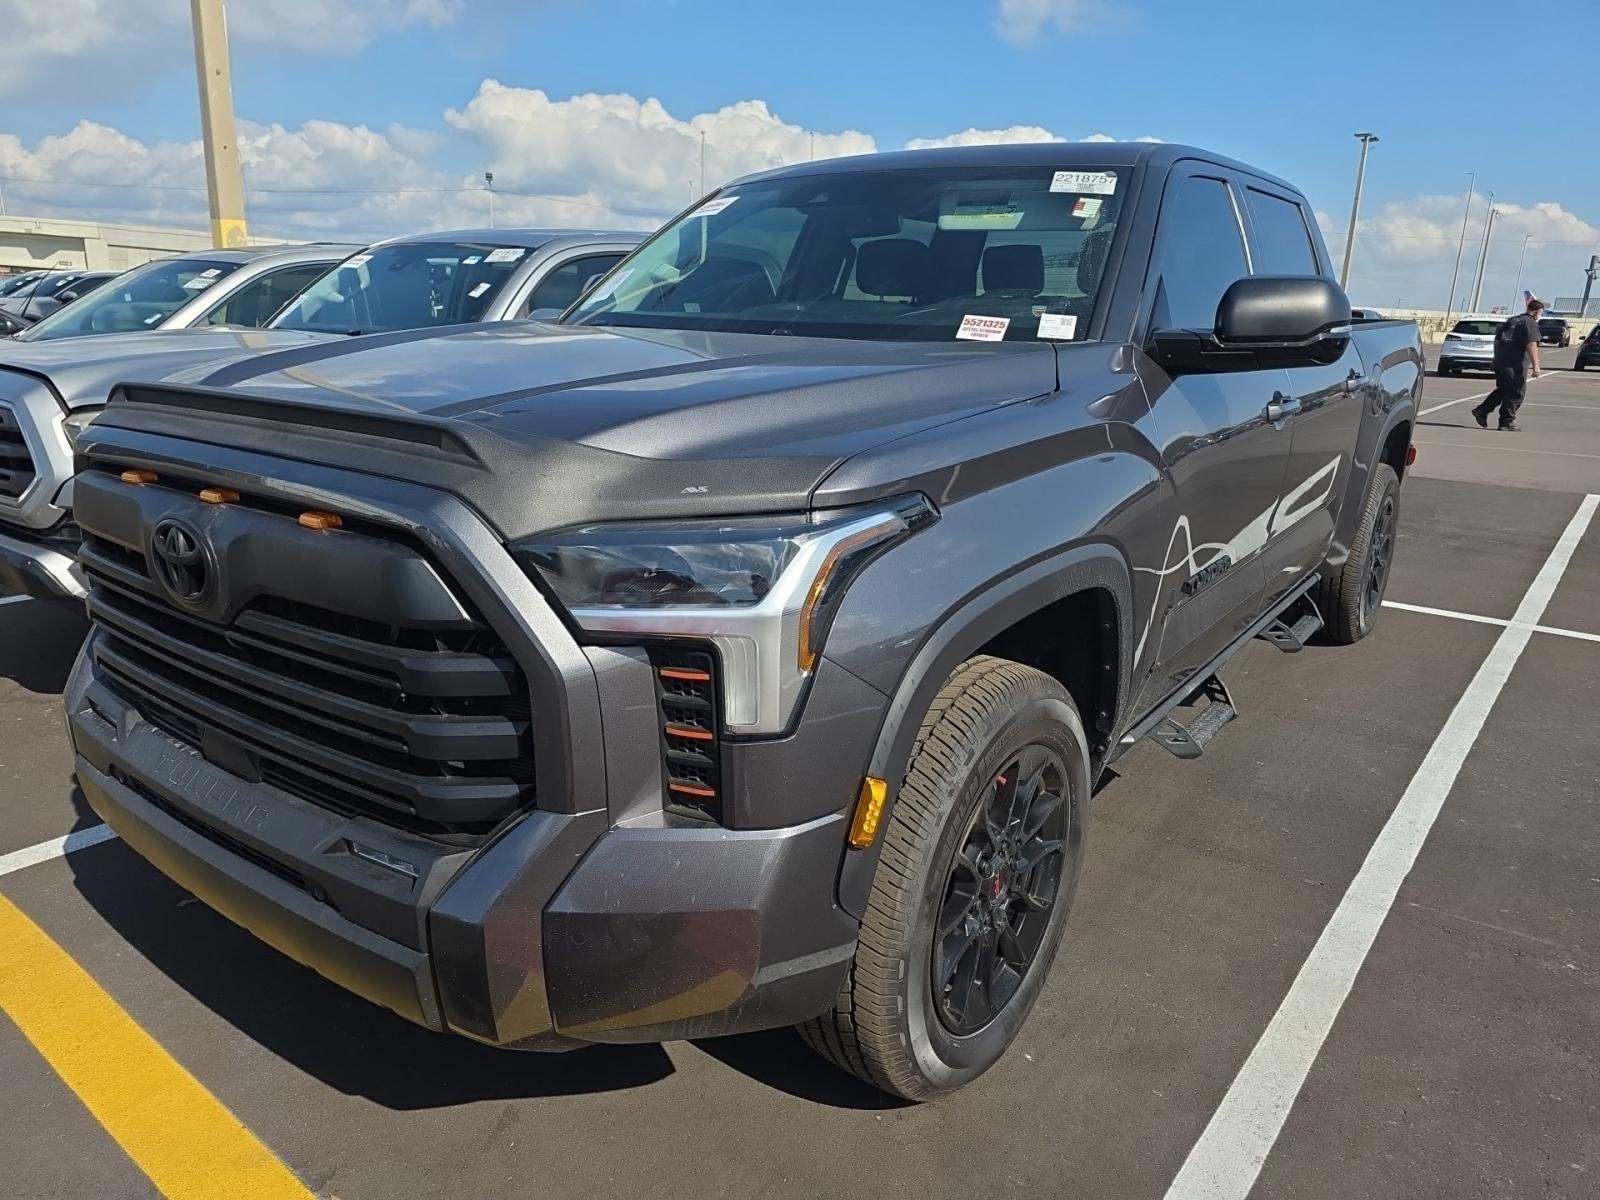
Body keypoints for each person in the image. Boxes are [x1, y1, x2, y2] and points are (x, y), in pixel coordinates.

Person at [1472, 298, 1544, 431]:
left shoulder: (1513, 320)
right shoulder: (1530, 323)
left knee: (1503, 390)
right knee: (1516, 392)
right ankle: (1505, 422)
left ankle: (1482, 410)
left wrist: (1497, 359)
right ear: (1537, 311)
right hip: (1515, 364)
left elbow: (1498, 340)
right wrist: (1536, 366)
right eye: (1541, 312)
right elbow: (1531, 344)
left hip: (1501, 362)